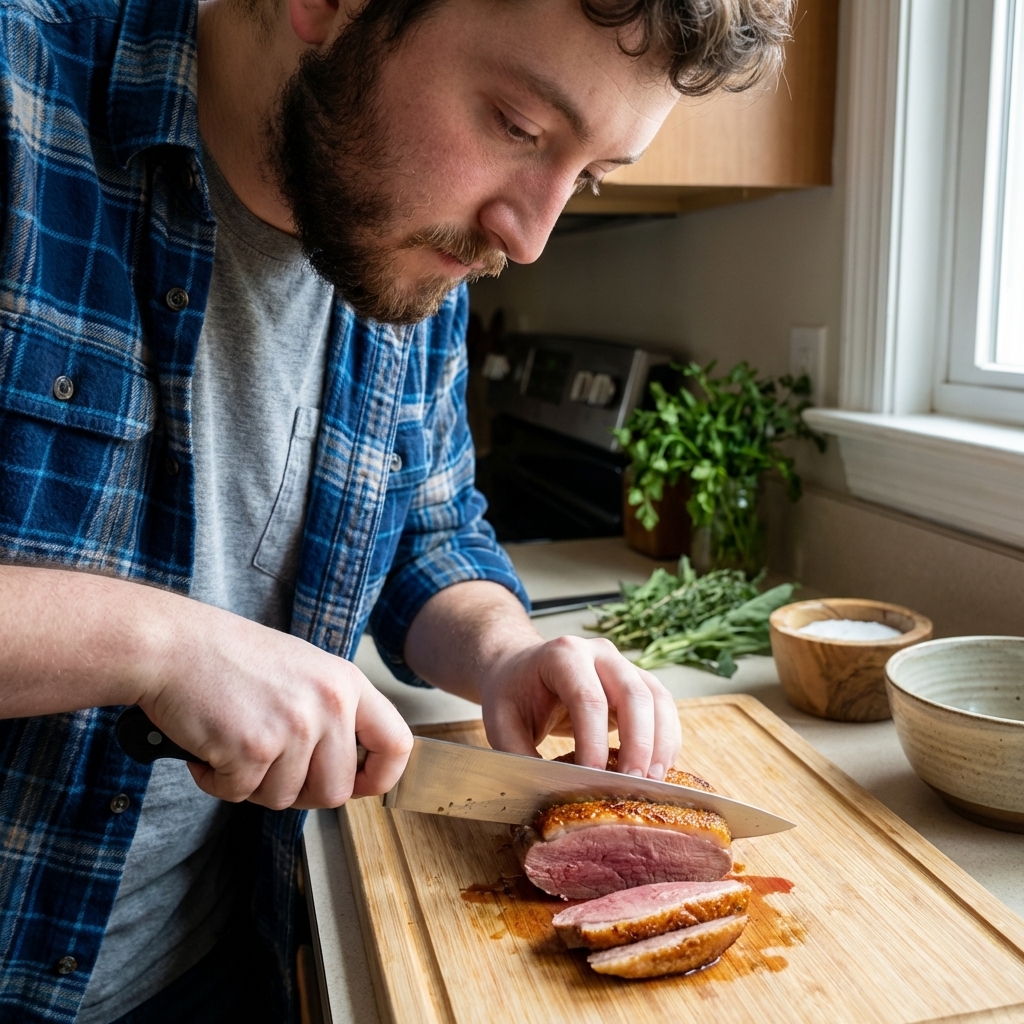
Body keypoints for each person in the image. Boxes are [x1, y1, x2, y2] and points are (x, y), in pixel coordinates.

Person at [0, 0, 791, 1020]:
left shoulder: (413, 237)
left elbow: (428, 526)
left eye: (588, 176)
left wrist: (503, 648)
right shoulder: (22, 96)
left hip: (213, 950)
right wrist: (155, 643)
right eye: (515, 126)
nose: (531, 233)